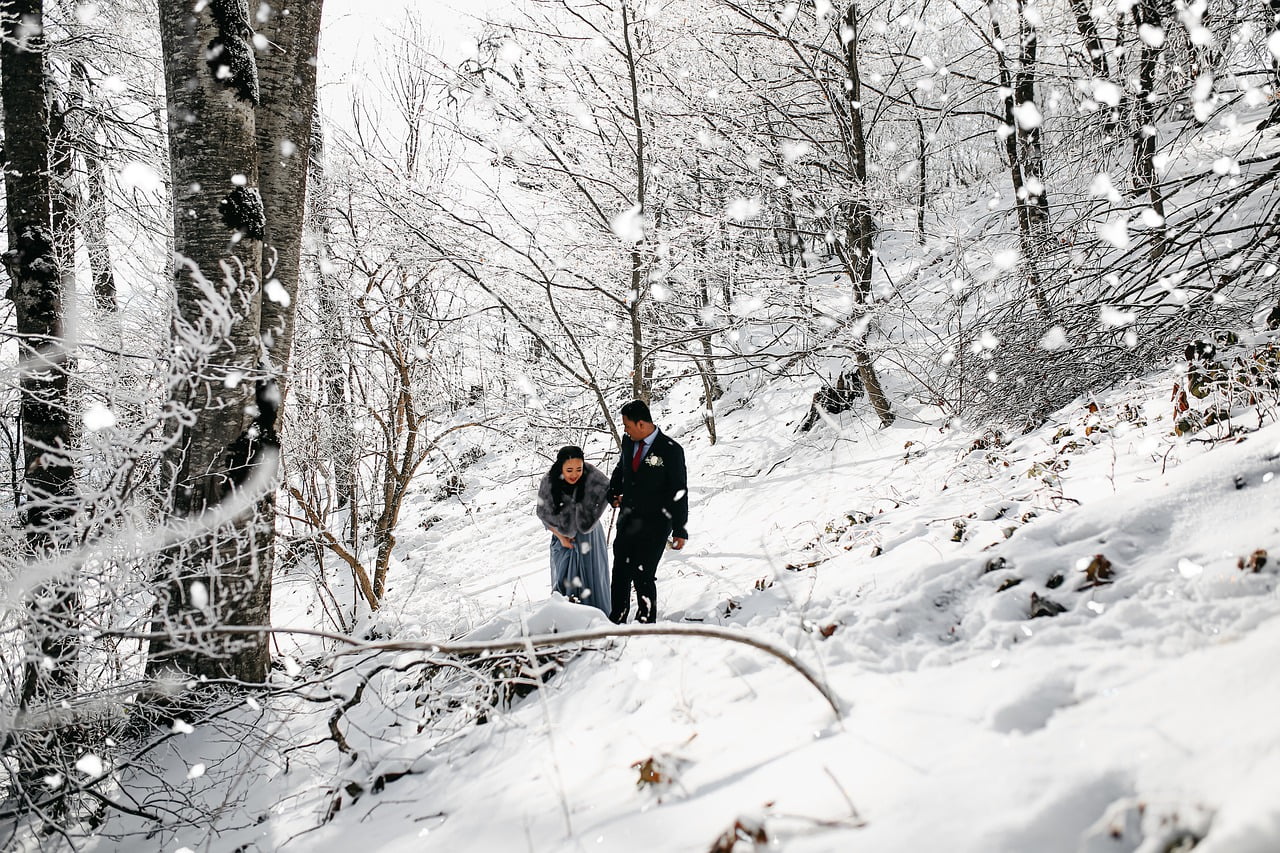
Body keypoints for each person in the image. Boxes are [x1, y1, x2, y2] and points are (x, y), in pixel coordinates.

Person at [607, 400, 688, 623]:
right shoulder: (628, 442)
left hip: (656, 524)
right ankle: (616, 620)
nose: (625, 430)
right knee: (620, 573)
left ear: (641, 424)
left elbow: (679, 491)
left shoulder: (670, 450)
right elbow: (621, 468)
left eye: (627, 425)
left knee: (643, 575)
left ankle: (645, 623)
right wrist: (613, 492)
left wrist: (680, 529)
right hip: (627, 520)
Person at [536, 445, 612, 615]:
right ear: (560, 467)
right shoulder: (549, 481)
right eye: (569, 470)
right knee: (566, 581)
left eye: (579, 469)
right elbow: (543, 514)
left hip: (590, 537)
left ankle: (598, 618)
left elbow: (608, 489)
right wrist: (561, 537)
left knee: (593, 579)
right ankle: (569, 620)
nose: (574, 474)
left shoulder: (591, 475)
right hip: (563, 539)